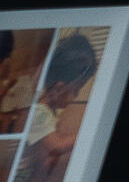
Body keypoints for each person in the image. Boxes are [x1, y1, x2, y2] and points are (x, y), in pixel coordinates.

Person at [9, 30, 104, 182]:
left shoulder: (47, 109)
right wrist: (87, 134)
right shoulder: (40, 112)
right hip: (20, 173)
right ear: (59, 88)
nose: (77, 95)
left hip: (30, 163)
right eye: (76, 89)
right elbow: (57, 145)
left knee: (47, 161)